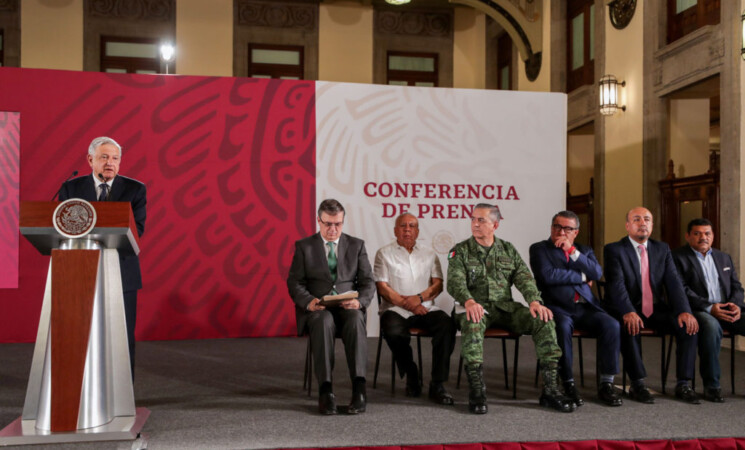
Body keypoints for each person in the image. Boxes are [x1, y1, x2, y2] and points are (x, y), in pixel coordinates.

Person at [447, 203, 575, 414]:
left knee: (544, 320)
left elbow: (524, 278)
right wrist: (469, 300)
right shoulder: (460, 251)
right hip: (474, 307)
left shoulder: (507, 249)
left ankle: (551, 389)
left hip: (505, 308)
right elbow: (455, 282)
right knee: (473, 321)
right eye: (473, 219)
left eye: (481, 220)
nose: (475, 224)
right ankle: (477, 391)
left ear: (495, 225)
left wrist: (534, 301)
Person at [58, 136, 147, 378]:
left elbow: (136, 230)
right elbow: (61, 228)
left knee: (122, 335)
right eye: (104, 157)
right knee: (80, 333)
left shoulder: (135, 189)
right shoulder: (71, 188)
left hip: (122, 272)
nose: (110, 163)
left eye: (115, 158)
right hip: (80, 271)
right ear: (90, 160)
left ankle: (123, 391)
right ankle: (80, 386)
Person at [286, 199, 375, 415]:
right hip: (319, 309)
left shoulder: (357, 245)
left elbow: (368, 282)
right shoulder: (304, 247)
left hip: (348, 307)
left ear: (343, 222)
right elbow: (294, 282)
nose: (333, 229)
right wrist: (309, 301)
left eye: (338, 224)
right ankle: (325, 391)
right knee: (324, 321)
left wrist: (359, 301)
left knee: (355, 319)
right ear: (318, 220)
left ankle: (359, 389)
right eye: (328, 224)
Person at [604, 207, 699, 404]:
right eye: (637, 219)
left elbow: (674, 282)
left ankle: (684, 383)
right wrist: (628, 311)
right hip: (627, 307)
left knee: (688, 327)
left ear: (652, 225)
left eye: (647, 219)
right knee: (630, 325)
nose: (642, 223)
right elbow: (616, 285)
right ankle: (638, 384)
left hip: (655, 308)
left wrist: (684, 311)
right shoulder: (614, 249)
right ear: (627, 225)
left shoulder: (662, 249)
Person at [529, 210, 622, 407]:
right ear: (551, 227)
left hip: (586, 306)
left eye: (567, 228)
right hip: (557, 307)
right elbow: (548, 276)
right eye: (557, 227)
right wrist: (581, 277)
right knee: (561, 328)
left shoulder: (584, 250)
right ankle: (568, 382)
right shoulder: (539, 249)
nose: (561, 232)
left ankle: (607, 383)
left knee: (611, 325)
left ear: (575, 232)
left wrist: (572, 252)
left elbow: (596, 273)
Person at [373, 213, 455, 404]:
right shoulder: (384, 253)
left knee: (447, 325)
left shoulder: (429, 253)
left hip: (425, 307)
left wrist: (418, 300)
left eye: (412, 226)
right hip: (395, 308)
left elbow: (437, 285)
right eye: (403, 226)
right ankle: (411, 371)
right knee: (393, 331)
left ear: (418, 231)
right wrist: (408, 304)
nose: (407, 229)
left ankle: (438, 384)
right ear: (395, 230)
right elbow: (382, 287)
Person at [672, 218, 745, 402]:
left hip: (727, 308)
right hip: (699, 309)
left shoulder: (723, 257)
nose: (703, 237)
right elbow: (681, 289)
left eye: (707, 234)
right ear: (688, 236)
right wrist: (709, 307)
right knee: (711, 328)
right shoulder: (677, 257)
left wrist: (736, 303)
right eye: (697, 233)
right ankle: (712, 385)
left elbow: (737, 287)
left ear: (713, 236)